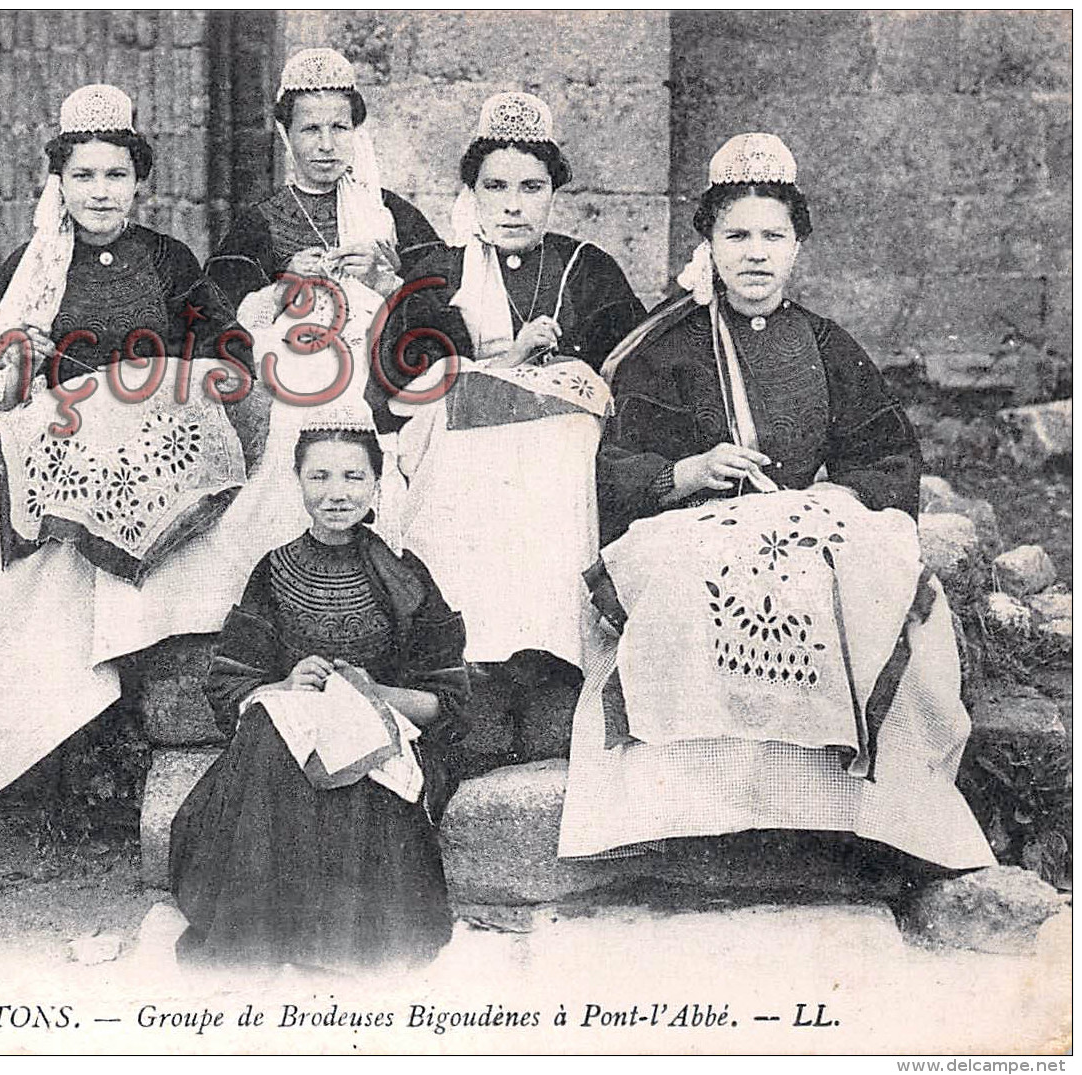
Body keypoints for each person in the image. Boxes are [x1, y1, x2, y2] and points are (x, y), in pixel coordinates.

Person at [557, 134, 996, 871]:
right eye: (736, 235)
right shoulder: (667, 347)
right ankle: (690, 812)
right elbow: (614, 462)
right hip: (687, 524)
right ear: (708, 244)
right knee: (687, 581)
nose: (754, 253)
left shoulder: (825, 344)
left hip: (802, 520)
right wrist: (688, 471)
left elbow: (884, 455)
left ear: (798, 247)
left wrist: (835, 499)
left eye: (772, 235)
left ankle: (842, 814)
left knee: (862, 577)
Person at [0, 85, 259, 811]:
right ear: (60, 183)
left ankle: (155, 659)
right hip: (66, 434)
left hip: (153, 428)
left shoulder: (168, 258)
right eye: (83, 176)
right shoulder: (33, 262)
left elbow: (227, 342)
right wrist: (24, 350)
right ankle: (73, 726)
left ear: (139, 181)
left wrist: (199, 367)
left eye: (114, 176)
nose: (100, 192)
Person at [375, 92, 646, 764]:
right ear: (471, 191)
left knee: (564, 447)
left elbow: (631, 373)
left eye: (531, 187)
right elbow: (390, 391)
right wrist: (497, 363)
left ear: (554, 191)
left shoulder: (588, 269)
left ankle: (555, 669)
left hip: (563, 456)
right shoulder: (437, 274)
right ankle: (478, 678)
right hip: (462, 452)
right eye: (494, 187)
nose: (513, 205)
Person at [169, 415, 470, 971]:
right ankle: (258, 935)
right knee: (267, 727)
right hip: (287, 745)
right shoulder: (274, 570)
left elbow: (447, 700)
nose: (337, 494)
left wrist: (372, 692)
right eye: (320, 477)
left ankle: (345, 943)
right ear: (298, 482)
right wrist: (284, 686)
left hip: (384, 741)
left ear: (377, 485)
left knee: (347, 752)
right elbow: (231, 682)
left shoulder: (404, 574)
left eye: (354, 478)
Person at [208, 48, 443, 557]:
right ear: (285, 135)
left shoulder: (391, 214)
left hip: (382, 365)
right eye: (310, 130)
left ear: (357, 132)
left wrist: (386, 281)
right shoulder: (262, 221)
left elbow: (444, 305)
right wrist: (281, 286)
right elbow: (218, 312)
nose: (326, 145)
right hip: (295, 369)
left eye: (340, 128)